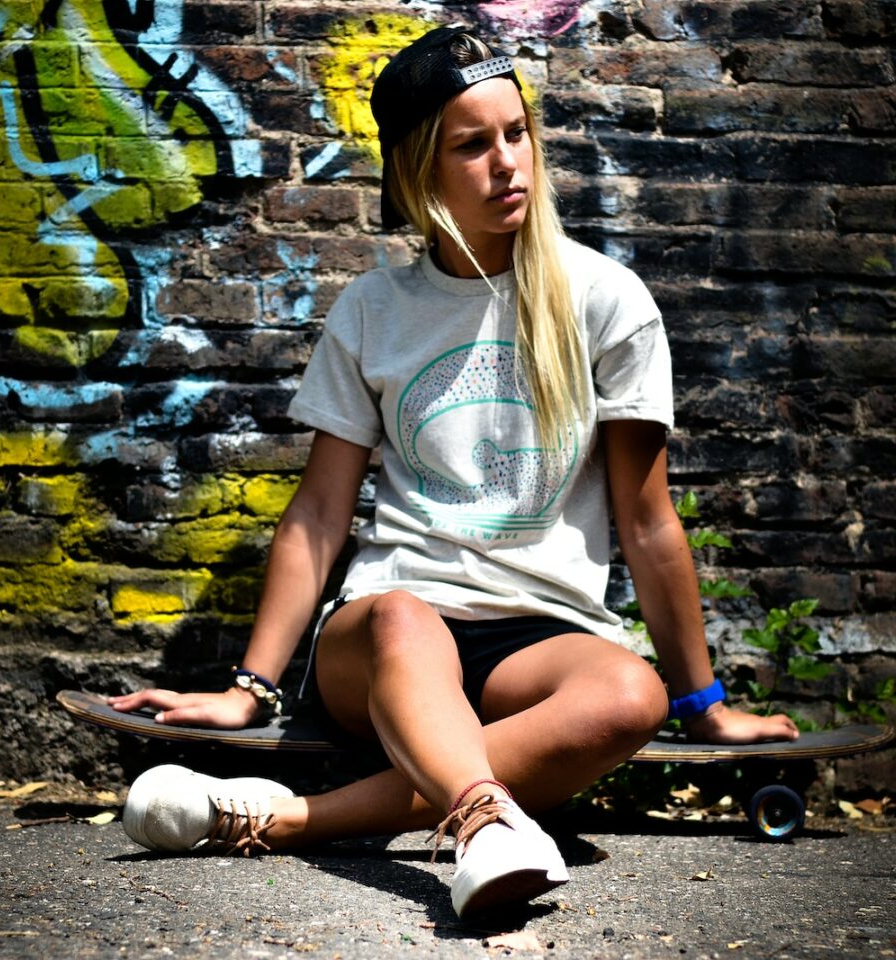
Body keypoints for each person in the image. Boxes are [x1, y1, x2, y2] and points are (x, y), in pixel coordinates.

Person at [108, 26, 798, 918]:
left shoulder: (604, 300)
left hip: (535, 642)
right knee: (401, 619)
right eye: (472, 145)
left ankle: (287, 821)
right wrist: (250, 691)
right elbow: (319, 514)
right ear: (418, 174)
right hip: (389, 632)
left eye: (517, 134)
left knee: (629, 694)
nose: (507, 163)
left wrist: (701, 703)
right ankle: (481, 821)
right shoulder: (376, 309)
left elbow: (648, 519)